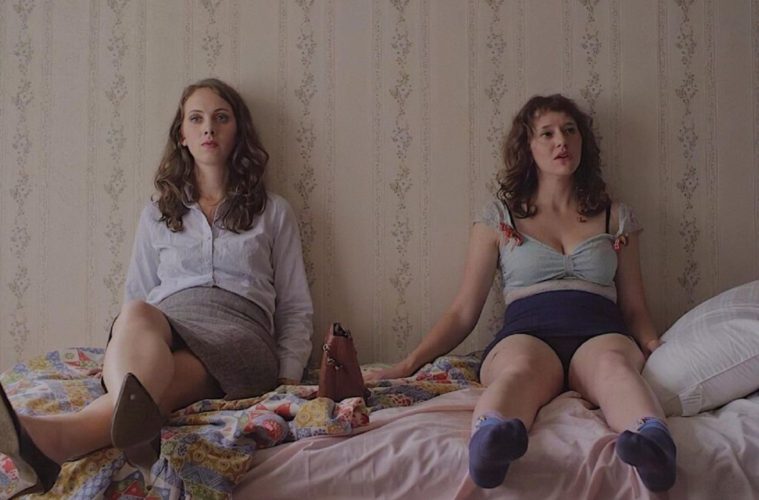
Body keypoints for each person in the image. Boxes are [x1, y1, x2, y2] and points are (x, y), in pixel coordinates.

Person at [0, 78, 313, 497]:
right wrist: (120, 355)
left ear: (238, 131)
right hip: (170, 324)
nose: (208, 128)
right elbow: (138, 292)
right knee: (136, 317)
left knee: (158, 386)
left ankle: (51, 439)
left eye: (221, 118)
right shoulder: (157, 213)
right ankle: (87, 428)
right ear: (182, 135)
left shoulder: (273, 211)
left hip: (239, 336)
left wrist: (289, 375)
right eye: (196, 119)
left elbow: (294, 305)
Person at [366, 94, 676, 492]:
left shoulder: (615, 216)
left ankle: (654, 444)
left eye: (569, 130)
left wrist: (653, 344)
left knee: (614, 367)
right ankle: (490, 441)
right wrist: (407, 364)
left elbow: (634, 307)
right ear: (528, 147)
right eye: (547, 133)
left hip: (600, 334)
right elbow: (464, 311)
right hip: (527, 336)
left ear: (582, 141)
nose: (561, 141)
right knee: (520, 369)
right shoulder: (499, 217)